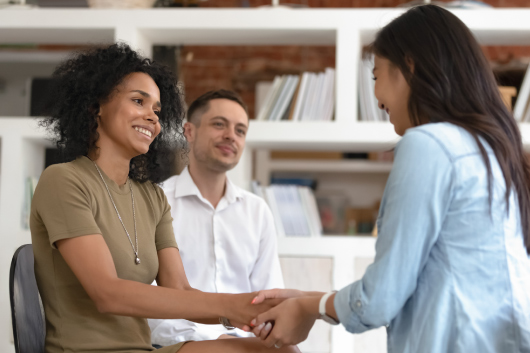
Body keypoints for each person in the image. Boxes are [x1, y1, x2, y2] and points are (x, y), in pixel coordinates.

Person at [247, 5, 530, 353]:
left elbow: (380, 298)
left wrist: (311, 307)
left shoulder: (429, 145)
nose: (377, 98)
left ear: (408, 66)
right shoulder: (490, 148)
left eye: (376, 76)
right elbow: (427, 278)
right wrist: (311, 299)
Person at [30, 42, 299, 353]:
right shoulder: (64, 180)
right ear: (96, 106)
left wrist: (248, 315)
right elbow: (108, 293)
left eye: (157, 110)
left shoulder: (152, 197)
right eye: (138, 101)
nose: (152, 118)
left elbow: (180, 289)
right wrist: (233, 306)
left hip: (146, 350)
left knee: (281, 350)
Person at [148, 90, 284, 345]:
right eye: (219, 124)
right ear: (189, 131)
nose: (231, 136)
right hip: (179, 345)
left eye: (240, 130)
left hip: (247, 346)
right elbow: (149, 302)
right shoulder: (157, 201)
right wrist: (216, 342)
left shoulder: (257, 211)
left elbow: (268, 298)